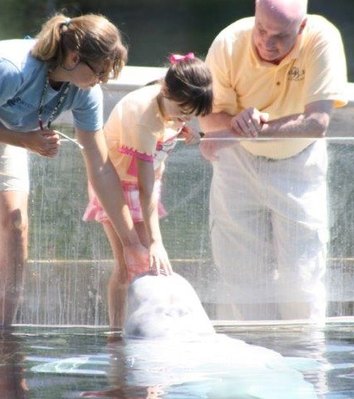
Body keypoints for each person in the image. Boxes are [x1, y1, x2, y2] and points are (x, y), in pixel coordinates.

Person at [199, 0, 348, 322]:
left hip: (299, 159)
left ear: (302, 27)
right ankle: (244, 363)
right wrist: (239, 129)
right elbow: (209, 118)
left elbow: (317, 123)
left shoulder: (322, 37)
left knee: (302, 278)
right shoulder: (228, 41)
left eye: (280, 35)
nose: (267, 42)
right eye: (261, 29)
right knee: (239, 275)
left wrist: (250, 129)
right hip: (237, 162)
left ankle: (307, 365)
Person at [0, 13, 150, 328]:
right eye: (100, 72)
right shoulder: (13, 70)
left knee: (14, 223)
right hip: (13, 135)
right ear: (73, 56)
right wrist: (23, 139)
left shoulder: (84, 92)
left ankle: (5, 331)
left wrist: (131, 242)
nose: (103, 81)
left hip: (12, 135)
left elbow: (101, 166)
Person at [83, 53, 213, 328]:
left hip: (143, 181)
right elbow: (144, 187)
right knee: (135, 263)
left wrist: (181, 127)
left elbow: (170, 122)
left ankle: (122, 331)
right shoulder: (144, 116)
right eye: (182, 112)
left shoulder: (168, 99)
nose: (183, 119)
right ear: (168, 91)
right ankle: (118, 332)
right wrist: (156, 241)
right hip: (117, 184)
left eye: (190, 115)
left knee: (136, 265)